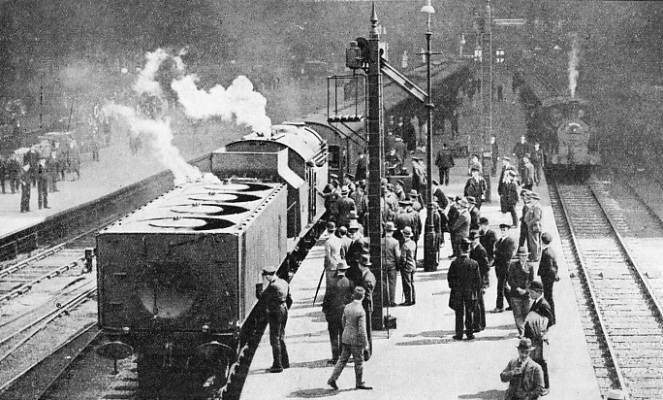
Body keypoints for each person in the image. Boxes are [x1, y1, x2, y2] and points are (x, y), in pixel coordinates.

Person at [327, 287, 373, 391]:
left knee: (342, 360)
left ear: (353, 295)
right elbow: (362, 330)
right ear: (363, 296)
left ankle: (332, 378)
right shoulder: (361, 311)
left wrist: (347, 332)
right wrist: (366, 344)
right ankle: (359, 382)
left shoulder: (347, 307)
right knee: (359, 362)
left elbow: (343, 321)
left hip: (346, 337)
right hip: (356, 340)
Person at [447, 239, 482, 340]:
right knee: (469, 312)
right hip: (470, 292)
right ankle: (470, 333)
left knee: (459, 313)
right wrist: (476, 291)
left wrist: (454, 287)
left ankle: (459, 334)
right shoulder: (474, 263)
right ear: (469, 249)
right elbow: (478, 281)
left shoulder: (454, 263)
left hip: (457, 292)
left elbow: (450, 278)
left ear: (460, 248)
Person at [259, 266, 291, 373]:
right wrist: (284, 309)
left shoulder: (272, 286)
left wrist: (259, 284)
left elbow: (261, 297)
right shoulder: (284, 282)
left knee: (274, 339)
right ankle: (285, 362)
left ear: (268, 275)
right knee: (281, 336)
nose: (265, 278)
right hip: (284, 309)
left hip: (275, 312)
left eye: (265, 276)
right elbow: (290, 299)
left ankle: (277, 365)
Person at [525, 280, 555, 389]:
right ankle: (538, 383)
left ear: (537, 292)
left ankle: (545, 386)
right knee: (536, 360)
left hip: (538, 338)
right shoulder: (537, 302)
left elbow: (550, 320)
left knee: (541, 361)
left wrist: (542, 331)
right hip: (534, 337)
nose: (530, 295)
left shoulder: (543, 304)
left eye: (531, 293)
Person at [322, 261, 353, 365]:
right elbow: (351, 299)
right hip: (344, 312)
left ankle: (335, 358)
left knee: (333, 335)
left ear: (337, 270)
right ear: (346, 270)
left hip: (333, 312)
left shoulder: (332, 282)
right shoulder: (349, 282)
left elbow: (327, 299)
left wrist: (325, 311)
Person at [508, 247, 534, 337]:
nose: (524, 258)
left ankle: (527, 330)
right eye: (522, 256)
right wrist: (518, 289)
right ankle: (521, 331)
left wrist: (526, 290)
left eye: (525, 256)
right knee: (518, 314)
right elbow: (510, 280)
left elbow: (531, 281)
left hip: (526, 295)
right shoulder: (513, 266)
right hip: (515, 294)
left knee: (527, 313)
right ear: (519, 256)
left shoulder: (530, 267)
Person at [493, 223, 516, 313]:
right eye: (502, 230)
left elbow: (508, 255)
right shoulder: (500, 241)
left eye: (504, 230)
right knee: (504, 287)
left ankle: (500, 306)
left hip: (505, 267)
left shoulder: (510, 241)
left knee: (500, 287)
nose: (503, 231)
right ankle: (512, 304)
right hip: (498, 266)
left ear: (508, 231)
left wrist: (497, 254)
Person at [469, 230, 489, 333]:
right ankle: (478, 323)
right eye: (472, 239)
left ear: (478, 239)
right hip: (474, 279)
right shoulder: (473, 249)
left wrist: (482, 280)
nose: (473, 241)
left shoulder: (481, 250)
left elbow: (486, 266)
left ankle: (480, 324)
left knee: (478, 302)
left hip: (479, 280)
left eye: (475, 239)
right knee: (477, 302)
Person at [537, 232, 559, 318]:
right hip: (548, 278)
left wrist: (554, 276)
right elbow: (555, 266)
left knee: (548, 297)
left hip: (547, 279)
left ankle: (551, 317)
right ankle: (550, 316)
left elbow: (550, 268)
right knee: (548, 297)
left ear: (542, 242)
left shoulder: (546, 253)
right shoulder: (550, 251)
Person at [382, 222, 401, 307]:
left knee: (384, 282)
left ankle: (385, 300)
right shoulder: (395, 242)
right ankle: (392, 301)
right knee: (392, 282)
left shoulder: (381, 241)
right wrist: (398, 265)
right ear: (392, 231)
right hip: (392, 264)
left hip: (383, 264)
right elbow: (397, 255)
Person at [523, 191, 543, 262]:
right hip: (533, 226)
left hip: (534, 226)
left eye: (531, 198)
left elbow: (537, 217)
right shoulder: (534, 205)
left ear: (535, 199)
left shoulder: (536, 207)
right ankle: (535, 255)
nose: (530, 199)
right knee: (534, 241)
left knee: (534, 242)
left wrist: (529, 223)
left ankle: (535, 257)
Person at [399, 226, 417, 306]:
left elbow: (403, 258)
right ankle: (413, 299)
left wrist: (401, 265)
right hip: (412, 264)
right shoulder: (413, 243)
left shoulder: (404, 246)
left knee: (406, 284)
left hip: (406, 266)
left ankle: (408, 300)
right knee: (412, 283)